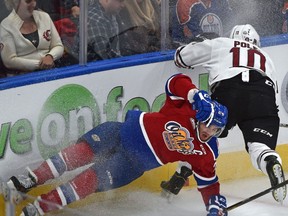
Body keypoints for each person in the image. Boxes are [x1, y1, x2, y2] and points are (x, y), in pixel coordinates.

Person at [3, 73, 228, 216]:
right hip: (119, 131)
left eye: (216, 130)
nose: (210, 131)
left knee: (88, 180)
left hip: (131, 164)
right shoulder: (187, 107)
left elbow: (209, 183)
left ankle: (38, 209)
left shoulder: (207, 151)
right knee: (78, 153)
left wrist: (214, 206)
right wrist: (195, 93)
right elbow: (175, 82)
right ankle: (30, 179)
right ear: (200, 116)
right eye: (208, 125)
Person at [161, 24, 287, 203]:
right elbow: (271, 95)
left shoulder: (221, 43)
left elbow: (181, 58)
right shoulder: (266, 58)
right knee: (259, 147)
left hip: (229, 89)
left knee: (204, 134)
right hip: (263, 96)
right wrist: (259, 116)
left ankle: (180, 176)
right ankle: (271, 161)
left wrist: (200, 42)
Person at [0, 0, 64, 77]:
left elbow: (58, 45)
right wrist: (41, 64)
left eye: (34, 0)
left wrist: (50, 56)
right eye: (28, 1)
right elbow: (9, 61)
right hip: (21, 78)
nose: (34, 4)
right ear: (15, 3)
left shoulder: (45, 17)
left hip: (51, 71)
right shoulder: (5, 26)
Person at [169, 0, 233, 44]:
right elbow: (190, 36)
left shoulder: (221, 2)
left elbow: (231, 25)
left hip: (217, 47)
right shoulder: (185, 3)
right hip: (191, 51)